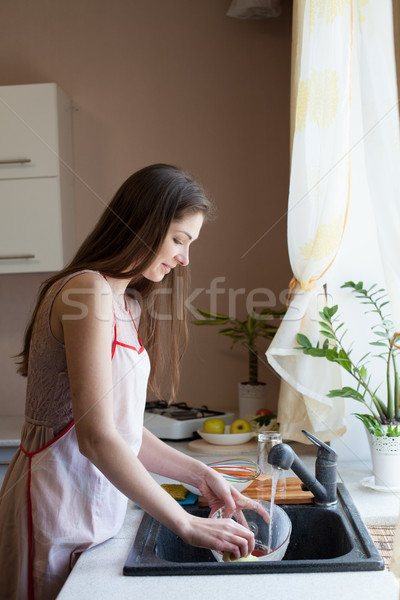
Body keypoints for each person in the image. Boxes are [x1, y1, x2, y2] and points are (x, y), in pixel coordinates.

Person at [0, 164, 262, 600]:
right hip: (53, 508)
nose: (185, 258)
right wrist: (181, 522)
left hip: (97, 511)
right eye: (179, 239)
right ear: (142, 223)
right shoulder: (86, 291)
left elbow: (123, 431)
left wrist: (202, 475)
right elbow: (97, 438)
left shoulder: (128, 304)